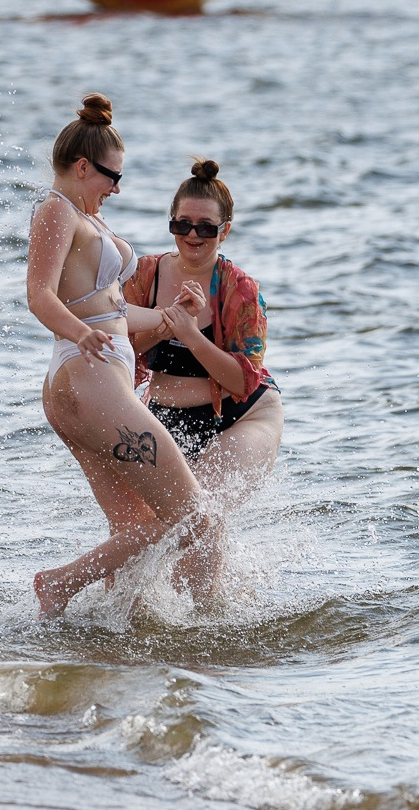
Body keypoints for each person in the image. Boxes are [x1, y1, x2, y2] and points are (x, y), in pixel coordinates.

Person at [28, 94, 211, 618]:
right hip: (87, 382)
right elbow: (39, 294)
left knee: (141, 528)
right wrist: (78, 332)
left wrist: (172, 314)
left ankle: (108, 629)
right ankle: (62, 585)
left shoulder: (84, 217)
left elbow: (114, 315)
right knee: (194, 514)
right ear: (84, 167)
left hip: (92, 385)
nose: (115, 189)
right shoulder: (56, 209)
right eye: (112, 177)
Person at [124, 160, 282, 585]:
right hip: (164, 418)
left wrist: (192, 335)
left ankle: (210, 621)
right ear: (171, 224)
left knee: (201, 512)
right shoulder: (145, 275)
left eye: (206, 228)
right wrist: (164, 320)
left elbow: (241, 380)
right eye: (183, 224)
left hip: (241, 415)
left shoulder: (240, 288)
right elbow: (121, 352)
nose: (193, 235)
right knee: (155, 530)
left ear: (224, 231)